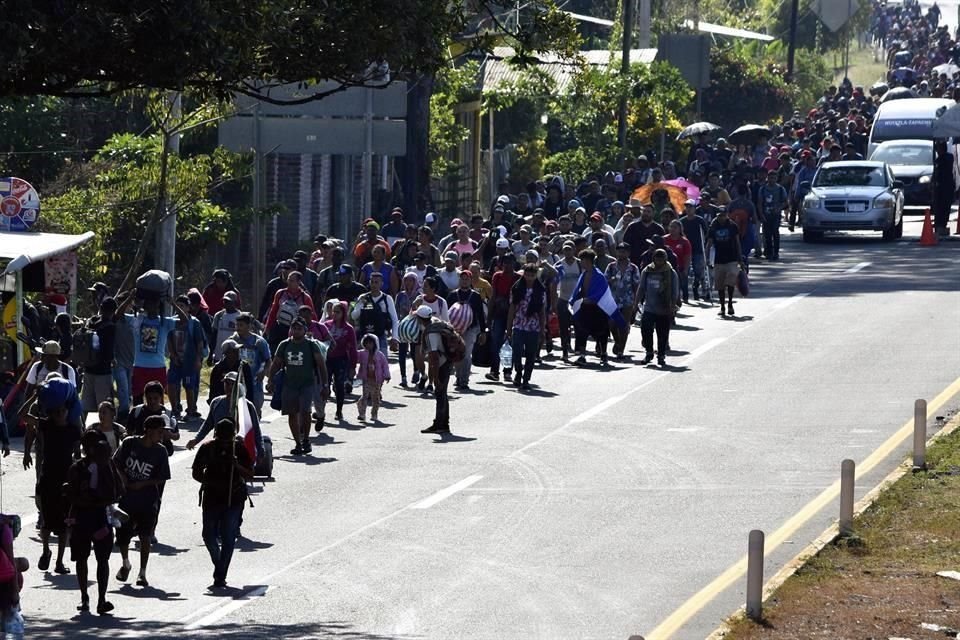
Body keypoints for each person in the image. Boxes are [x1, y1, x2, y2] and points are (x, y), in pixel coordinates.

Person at [66, 430, 123, 614]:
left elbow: (118, 491)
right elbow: (72, 496)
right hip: (83, 519)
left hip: (101, 518)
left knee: (102, 559)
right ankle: (85, 597)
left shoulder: (108, 465)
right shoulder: (77, 468)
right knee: (82, 559)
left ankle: (101, 599)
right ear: (89, 449)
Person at [192, 418, 253, 589]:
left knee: (228, 537)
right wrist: (208, 480)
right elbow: (196, 471)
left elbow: (250, 474)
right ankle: (219, 563)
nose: (225, 443)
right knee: (208, 536)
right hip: (212, 497)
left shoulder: (239, 449)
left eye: (228, 439)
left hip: (233, 498)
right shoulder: (207, 448)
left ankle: (220, 574)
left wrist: (237, 466)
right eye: (222, 439)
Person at [24, 391, 81, 576]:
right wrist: (33, 398)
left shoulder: (73, 429)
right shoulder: (46, 426)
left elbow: (79, 453)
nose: (59, 414)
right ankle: (46, 550)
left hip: (65, 481)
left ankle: (59, 561)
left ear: (67, 411)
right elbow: (22, 416)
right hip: (47, 478)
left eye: (63, 411)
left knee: (64, 524)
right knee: (47, 521)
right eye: (56, 411)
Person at [113, 415, 171, 588]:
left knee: (145, 535)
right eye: (159, 432)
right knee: (123, 536)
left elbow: (162, 478)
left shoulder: (160, 451)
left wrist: (142, 484)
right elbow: (116, 463)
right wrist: (123, 478)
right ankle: (126, 563)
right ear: (149, 430)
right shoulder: (130, 443)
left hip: (147, 500)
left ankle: (142, 572)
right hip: (126, 499)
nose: (161, 436)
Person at [266, 318, 328, 455]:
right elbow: (276, 363)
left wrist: (325, 385)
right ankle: (298, 443)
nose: (296, 331)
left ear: (305, 330)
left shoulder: (311, 345)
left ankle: (306, 439)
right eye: (293, 328)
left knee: (305, 411)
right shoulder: (284, 345)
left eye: (299, 328)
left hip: (307, 383)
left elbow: (321, 365)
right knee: (292, 413)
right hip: (289, 384)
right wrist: (270, 380)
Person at [127, 295, 189, 405]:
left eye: (155, 305)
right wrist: (130, 298)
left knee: (158, 403)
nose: (152, 308)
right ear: (145, 306)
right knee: (137, 400)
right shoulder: (137, 320)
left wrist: (173, 303)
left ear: (159, 307)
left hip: (158, 367)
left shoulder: (165, 322)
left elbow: (185, 321)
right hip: (139, 366)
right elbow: (116, 316)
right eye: (149, 304)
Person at [188, 372, 263, 460]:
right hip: (219, 445)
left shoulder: (247, 406)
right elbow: (207, 425)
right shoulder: (216, 403)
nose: (229, 387)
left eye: (233, 384)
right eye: (227, 383)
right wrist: (196, 440)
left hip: (240, 447)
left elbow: (256, 430)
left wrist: (261, 450)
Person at [506, 264, 548, 390]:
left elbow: (542, 312)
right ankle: (518, 373)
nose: (529, 278)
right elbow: (512, 308)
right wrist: (508, 328)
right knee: (517, 353)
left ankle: (526, 379)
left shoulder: (540, 291)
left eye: (532, 275)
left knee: (531, 355)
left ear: (536, 276)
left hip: (533, 328)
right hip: (518, 325)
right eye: (527, 275)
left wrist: (542, 329)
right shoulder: (517, 288)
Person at [638, 249, 680, 367]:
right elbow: (641, 288)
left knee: (662, 334)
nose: (659, 262)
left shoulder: (671, 273)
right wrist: (636, 302)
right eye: (657, 259)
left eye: (661, 259)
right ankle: (649, 352)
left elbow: (674, 291)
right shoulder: (647, 271)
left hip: (664, 308)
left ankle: (661, 355)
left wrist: (672, 307)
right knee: (645, 329)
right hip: (649, 307)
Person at [570, 249, 612, 366]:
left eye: (582, 260)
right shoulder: (583, 274)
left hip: (598, 308)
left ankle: (603, 353)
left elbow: (602, 291)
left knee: (602, 331)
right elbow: (578, 290)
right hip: (584, 307)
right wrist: (574, 301)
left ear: (588, 261)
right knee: (581, 331)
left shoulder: (599, 275)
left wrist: (592, 299)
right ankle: (582, 355)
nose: (581, 262)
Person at [167, 295, 206, 421]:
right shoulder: (172, 321)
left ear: (189, 308)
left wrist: (198, 359)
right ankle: (175, 409)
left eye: (182, 306)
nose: (179, 309)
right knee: (172, 384)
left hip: (189, 360)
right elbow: (170, 340)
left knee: (189, 386)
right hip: (176, 361)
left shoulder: (194, 323)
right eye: (177, 305)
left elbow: (199, 343)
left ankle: (191, 410)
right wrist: (173, 355)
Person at [446, 270, 487, 390]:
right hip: (454, 330)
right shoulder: (452, 295)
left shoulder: (475, 296)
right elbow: (446, 312)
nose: (464, 281)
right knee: (456, 353)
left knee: (466, 354)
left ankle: (464, 380)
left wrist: (483, 332)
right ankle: (458, 377)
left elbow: (480, 315)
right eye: (462, 279)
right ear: (459, 280)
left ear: (470, 281)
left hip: (470, 329)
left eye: (467, 279)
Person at [416, 307, 453, 434]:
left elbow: (434, 358)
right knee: (443, 394)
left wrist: (435, 379)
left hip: (442, 364)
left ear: (420, 319)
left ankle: (440, 425)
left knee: (440, 393)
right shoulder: (435, 321)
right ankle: (443, 423)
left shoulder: (431, 333)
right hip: (448, 360)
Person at [79, 297, 117, 418]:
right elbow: (108, 351)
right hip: (103, 372)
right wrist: (112, 360)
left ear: (100, 308)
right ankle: (106, 429)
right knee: (105, 406)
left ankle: (81, 428)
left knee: (85, 403)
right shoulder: (110, 327)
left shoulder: (91, 322)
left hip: (88, 369)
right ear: (113, 311)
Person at [321, 302, 358, 422]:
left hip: (341, 360)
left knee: (339, 385)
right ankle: (321, 411)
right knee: (324, 384)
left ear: (344, 313)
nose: (335, 314)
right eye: (333, 311)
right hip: (327, 359)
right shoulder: (326, 325)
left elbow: (353, 348)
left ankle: (339, 410)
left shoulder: (348, 329)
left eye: (338, 312)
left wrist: (353, 366)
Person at [705, 208, 745, 317]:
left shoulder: (732, 226)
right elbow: (709, 243)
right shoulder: (713, 227)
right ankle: (722, 306)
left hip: (731, 258)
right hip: (718, 259)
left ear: (727, 215)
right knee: (720, 285)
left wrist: (740, 259)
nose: (721, 218)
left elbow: (737, 243)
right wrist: (707, 257)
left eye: (723, 215)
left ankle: (730, 303)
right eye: (719, 215)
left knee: (730, 281)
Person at [264, 270, 315, 353]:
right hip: (279, 327)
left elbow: (312, 315)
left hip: (296, 330)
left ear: (298, 282)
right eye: (288, 279)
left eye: (292, 280)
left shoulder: (305, 297)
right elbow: (273, 312)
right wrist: (267, 328)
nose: (289, 282)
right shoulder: (280, 293)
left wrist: (312, 330)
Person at [604, 242, 641, 359]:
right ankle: (617, 340)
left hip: (628, 300)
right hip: (613, 300)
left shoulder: (633, 268)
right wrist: (611, 279)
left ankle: (621, 350)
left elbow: (637, 285)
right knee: (612, 324)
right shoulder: (611, 267)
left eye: (624, 251)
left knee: (624, 325)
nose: (621, 253)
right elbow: (604, 281)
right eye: (619, 250)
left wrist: (636, 302)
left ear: (628, 253)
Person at [230, 313, 271, 416]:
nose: (238, 328)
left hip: (254, 381)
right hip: (238, 380)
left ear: (249, 326)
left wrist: (264, 372)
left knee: (255, 407)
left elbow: (268, 360)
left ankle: (255, 426)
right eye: (237, 325)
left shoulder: (259, 342)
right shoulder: (233, 340)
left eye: (241, 325)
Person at [350, 272, 400, 356]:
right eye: (372, 282)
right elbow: (354, 316)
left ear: (381, 284)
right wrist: (360, 304)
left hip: (381, 335)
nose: (374, 285)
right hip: (365, 337)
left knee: (382, 362)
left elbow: (394, 319)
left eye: (376, 282)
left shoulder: (387, 298)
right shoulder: (363, 297)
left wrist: (394, 337)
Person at [353, 334, 390, 422]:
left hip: (377, 380)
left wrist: (387, 375)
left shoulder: (380, 355)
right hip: (366, 379)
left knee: (375, 398)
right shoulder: (362, 353)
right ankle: (362, 414)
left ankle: (374, 414)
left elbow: (385, 366)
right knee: (365, 396)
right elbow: (354, 356)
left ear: (375, 344)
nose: (368, 345)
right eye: (366, 343)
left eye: (370, 343)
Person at [395, 273, 421, 387]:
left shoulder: (419, 295)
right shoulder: (400, 295)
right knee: (402, 352)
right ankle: (403, 377)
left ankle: (416, 371)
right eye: (406, 280)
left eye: (411, 281)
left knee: (415, 351)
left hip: (415, 326)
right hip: (402, 326)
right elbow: (396, 312)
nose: (408, 283)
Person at [681, 202, 710, 302]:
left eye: (690, 207)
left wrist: (706, 247)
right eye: (687, 207)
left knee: (699, 271)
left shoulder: (700, 220)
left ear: (694, 209)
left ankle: (696, 286)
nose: (688, 209)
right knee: (685, 271)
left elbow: (706, 234)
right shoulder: (682, 221)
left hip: (698, 248)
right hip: (686, 250)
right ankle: (685, 294)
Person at [757, 169, 788, 260]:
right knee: (767, 234)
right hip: (766, 215)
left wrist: (779, 208)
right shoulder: (762, 189)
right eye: (770, 178)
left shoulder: (780, 189)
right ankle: (768, 252)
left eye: (774, 178)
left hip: (776, 215)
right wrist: (761, 214)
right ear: (767, 178)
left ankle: (776, 252)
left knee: (775, 233)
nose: (772, 180)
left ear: (777, 178)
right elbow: (759, 203)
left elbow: (785, 202)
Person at [623, 201, 666, 266]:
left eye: (648, 212)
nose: (646, 213)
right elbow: (625, 244)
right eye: (644, 211)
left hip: (654, 263)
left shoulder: (659, 229)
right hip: (634, 261)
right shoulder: (632, 227)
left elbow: (662, 246)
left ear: (653, 213)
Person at [663, 221, 692, 304]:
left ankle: (683, 298)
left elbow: (688, 256)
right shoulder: (664, 239)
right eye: (671, 227)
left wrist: (686, 269)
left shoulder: (684, 241)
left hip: (679, 268)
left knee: (680, 284)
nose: (673, 229)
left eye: (675, 227)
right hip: (665, 267)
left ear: (680, 229)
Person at [209, 290, 242, 363]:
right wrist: (211, 353)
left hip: (234, 356)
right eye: (225, 301)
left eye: (228, 302)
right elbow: (214, 335)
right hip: (219, 354)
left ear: (234, 302)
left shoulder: (240, 316)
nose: (226, 303)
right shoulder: (218, 316)